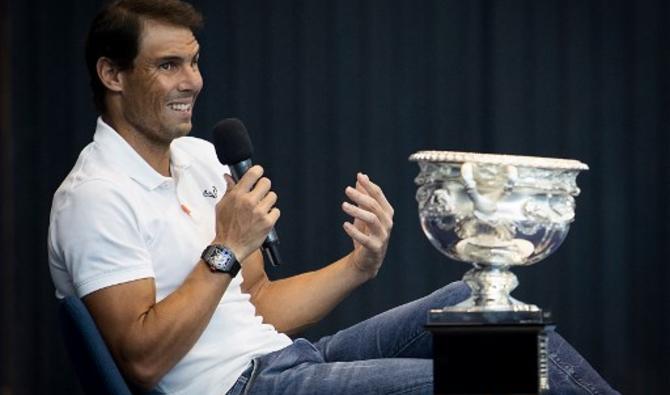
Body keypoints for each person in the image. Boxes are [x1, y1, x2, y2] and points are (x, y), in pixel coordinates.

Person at [48, 0, 619, 394]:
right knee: (505, 378)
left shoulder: (199, 156)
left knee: (485, 315)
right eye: (168, 65)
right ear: (112, 74)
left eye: (194, 61)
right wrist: (224, 247)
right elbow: (143, 362)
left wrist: (357, 266)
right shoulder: (95, 197)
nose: (192, 81)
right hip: (242, 386)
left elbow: (260, 305)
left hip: (285, 360)